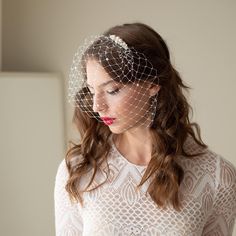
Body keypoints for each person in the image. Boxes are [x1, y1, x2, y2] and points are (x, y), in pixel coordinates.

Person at [54, 23, 236, 235]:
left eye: (112, 90)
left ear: (152, 85)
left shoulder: (217, 177)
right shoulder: (77, 170)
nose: (97, 106)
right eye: (93, 90)